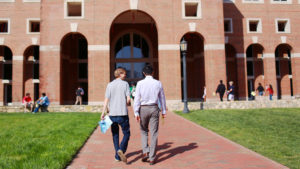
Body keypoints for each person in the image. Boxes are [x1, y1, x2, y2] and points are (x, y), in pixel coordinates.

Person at [134, 65, 166, 165]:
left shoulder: (140, 83)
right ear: (153, 72)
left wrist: (136, 112)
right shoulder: (158, 83)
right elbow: (162, 98)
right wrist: (164, 111)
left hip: (143, 108)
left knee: (143, 131)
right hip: (154, 108)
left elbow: (137, 98)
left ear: (143, 73)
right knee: (154, 132)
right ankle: (152, 157)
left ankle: (145, 152)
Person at [100, 68, 131, 163]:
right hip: (122, 114)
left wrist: (102, 113)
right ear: (119, 74)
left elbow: (106, 100)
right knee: (127, 133)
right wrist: (127, 104)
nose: (125, 75)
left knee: (115, 135)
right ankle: (121, 149)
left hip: (112, 114)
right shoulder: (125, 84)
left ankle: (117, 156)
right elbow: (128, 99)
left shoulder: (109, 85)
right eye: (124, 74)